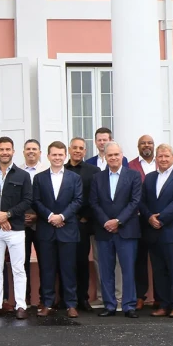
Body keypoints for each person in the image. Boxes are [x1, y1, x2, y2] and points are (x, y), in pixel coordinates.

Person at [89, 142, 142, 318]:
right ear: (105, 156)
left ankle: (129, 305)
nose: (113, 158)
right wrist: (106, 221)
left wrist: (118, 221)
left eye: (116, 155)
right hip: (104, 230)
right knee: (106, 270)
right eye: (110, 155)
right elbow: (94, 203)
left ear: (122, 155)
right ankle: (109, 304)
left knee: (128, 269)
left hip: (126, 229)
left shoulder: (133, 176)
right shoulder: (97, 178)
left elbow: (135, 202)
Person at [0, 137, 33, 320]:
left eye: (8, 149)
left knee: (18, 268)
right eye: (1, 149)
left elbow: (28, 200)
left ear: (13, 151)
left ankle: (21, 305)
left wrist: (8, 215)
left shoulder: (23, 175)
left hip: (16, 228)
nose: (4, 152)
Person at [32, 141, 84, 319]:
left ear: (65, 156)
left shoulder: (74, 178)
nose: (57, 158)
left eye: (60, 155)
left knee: (68, 269)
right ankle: (47, 303)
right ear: (48, 156)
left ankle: (71, 304)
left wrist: (61, 217)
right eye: (54, 154)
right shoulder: (39, 178)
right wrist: (50, 217)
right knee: (47, 269)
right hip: (46, 230)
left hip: (67, 228)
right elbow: (36, 201)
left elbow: (78, 201)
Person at [140, 144, 173, 318]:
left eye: (166, 156)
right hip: (153, 231)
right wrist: (149, 217)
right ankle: (163, 304)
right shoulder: (149, 177)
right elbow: (142, 201)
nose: (163, 159)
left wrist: (160, 219)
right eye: (160, 156)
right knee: (159, 270)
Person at [64, 137, 99, 312]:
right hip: (64, 223)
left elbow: (96, 197)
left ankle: (82, 298)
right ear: (69, 150)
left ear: (85, 152)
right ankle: (65, 299)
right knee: (64, 262)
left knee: (82, 262)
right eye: (74, 147)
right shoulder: (60, 170)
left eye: (81, 148)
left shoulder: (94, 171)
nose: (77, 150)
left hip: (83, 223)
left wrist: (86, 217)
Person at [128, 134, 158, 310]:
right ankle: (140, 295)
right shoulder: (130, 165)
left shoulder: (161, 163)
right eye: (143, 143)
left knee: (158, 259)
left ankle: (160, 297)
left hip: (158, 219)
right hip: (137, 219)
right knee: (139, 260)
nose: (146, 145)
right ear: (138, 146)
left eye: (149, 143)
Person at [19, 139, 47, 310]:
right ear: (23, 152)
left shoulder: (46, 170)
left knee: (45, 261)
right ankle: (25, 299)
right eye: (28, 149)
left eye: (34, 149)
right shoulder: (17, 171)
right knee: (21, 262)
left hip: (42, 223)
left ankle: (44, 298)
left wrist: (38, 214)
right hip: (20, 223)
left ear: (40, 152)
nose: (31, 152)